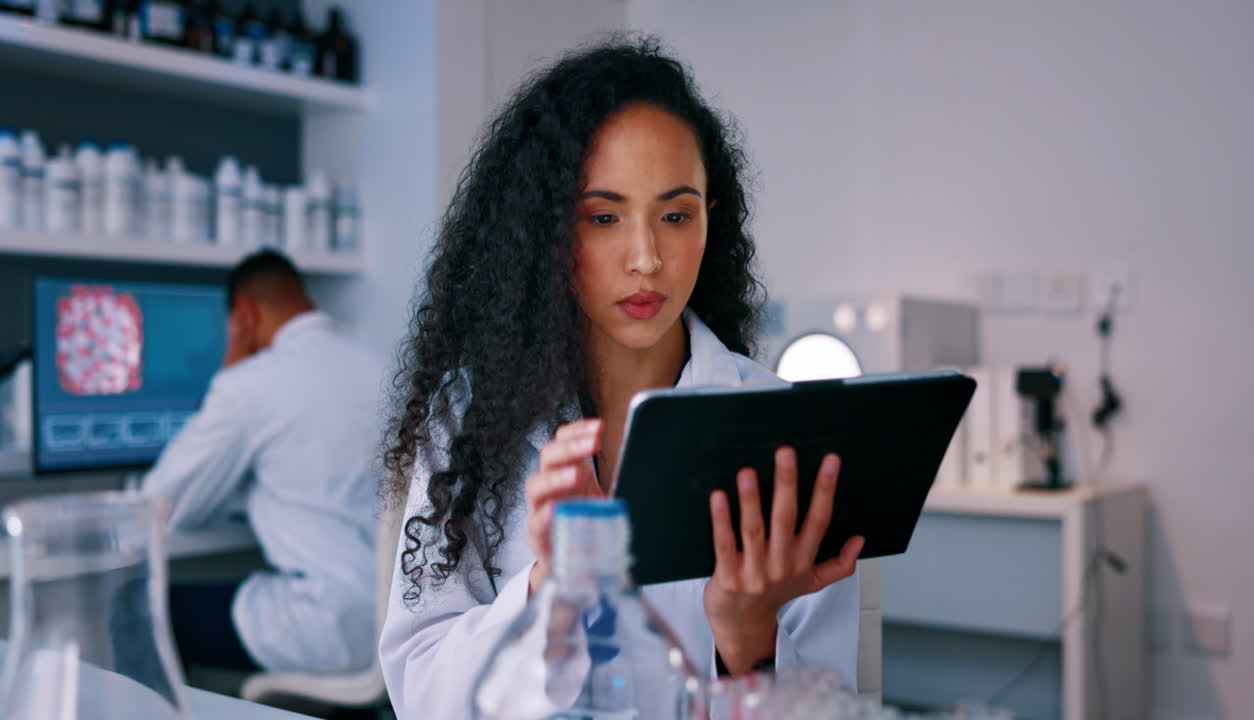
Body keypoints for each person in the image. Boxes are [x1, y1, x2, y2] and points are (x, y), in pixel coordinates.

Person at [379, 37, 866, 717]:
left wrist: (746, 636)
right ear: (544, 232)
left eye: (675, 215)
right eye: (603, 217)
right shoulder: (470, 415)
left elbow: (833, 703)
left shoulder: (783, 429)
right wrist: (553, 583)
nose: (646, 257)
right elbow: (420, 689)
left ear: (710, 220)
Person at [142, 249, 382, 674]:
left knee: (137, 613)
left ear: (244, 315)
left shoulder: (248, 385)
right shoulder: (381, 367)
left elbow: (162, 504)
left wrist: (229, 371)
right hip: (394, 622)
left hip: (323, 623)